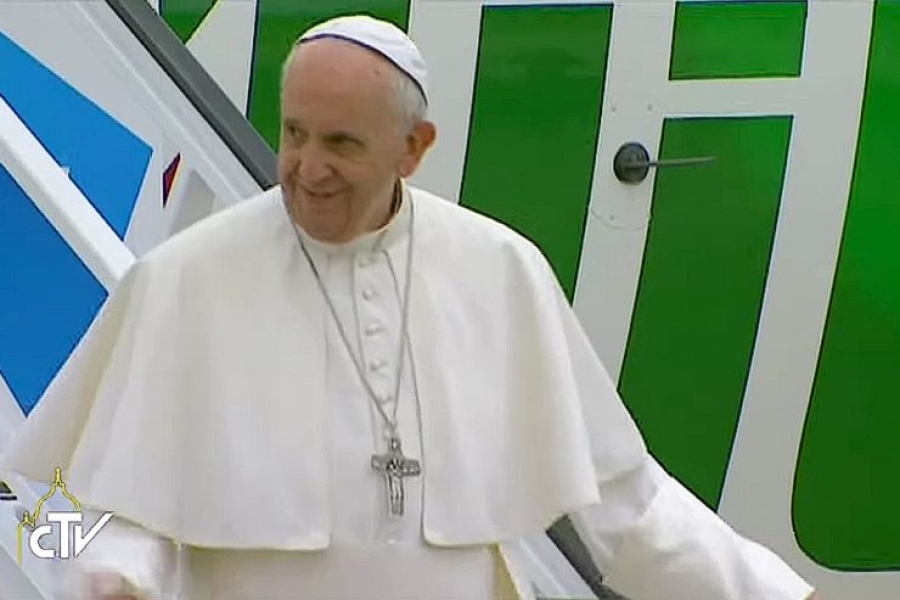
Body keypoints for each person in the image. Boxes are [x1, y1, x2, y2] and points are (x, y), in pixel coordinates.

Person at [1, 14, 819, 600]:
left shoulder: (499, 275)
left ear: (414, 148)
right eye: (293, 135)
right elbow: (74, 501)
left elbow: (623, 503)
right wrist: (112, 577)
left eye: (341, 144)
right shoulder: (186, 282)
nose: (306, 168)